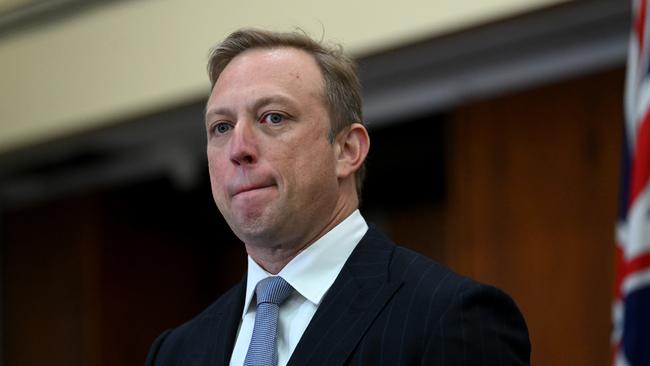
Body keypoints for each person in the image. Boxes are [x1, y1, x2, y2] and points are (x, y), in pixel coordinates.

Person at [145, 28, 530, 366]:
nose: (238, 148)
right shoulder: (175, 352)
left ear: (346, 149)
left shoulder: (451, 318)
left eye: (273, 117)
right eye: (221, 127)